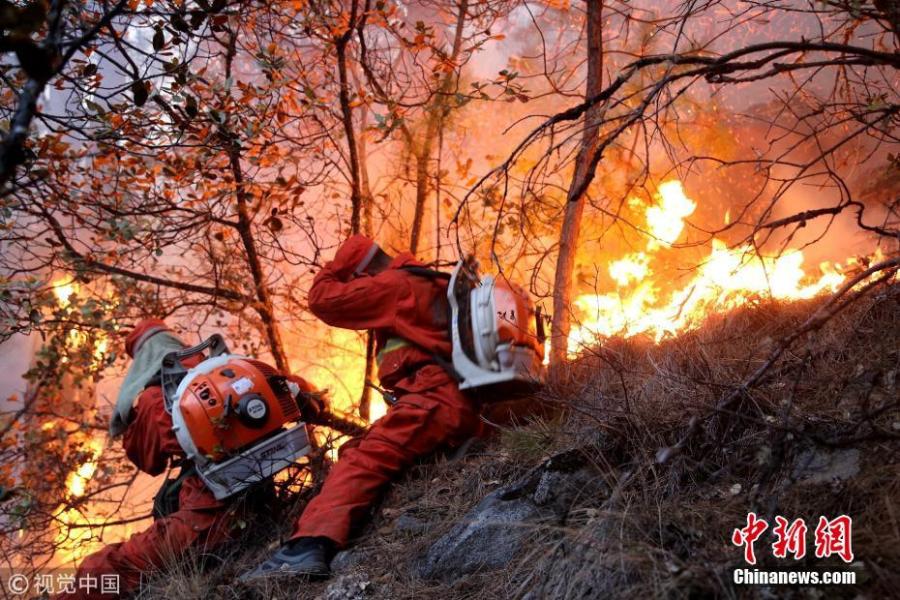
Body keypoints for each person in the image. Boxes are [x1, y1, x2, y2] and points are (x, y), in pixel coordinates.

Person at [242, 235, 482, 580]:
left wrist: (336, 267)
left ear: (361, 275)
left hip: (432, 400)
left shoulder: (394, 285)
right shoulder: (428, 280)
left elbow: (322, 300)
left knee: (362, 460)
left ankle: (307, 547)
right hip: (456, 401)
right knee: (356, 449)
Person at [59, 319, 318, 599]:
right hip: (262, 495)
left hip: (207, 515)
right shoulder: (237, 367)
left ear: (142, 361)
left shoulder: (154, 398)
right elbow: (306, 395)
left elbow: (148, 461)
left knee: (104, 568)